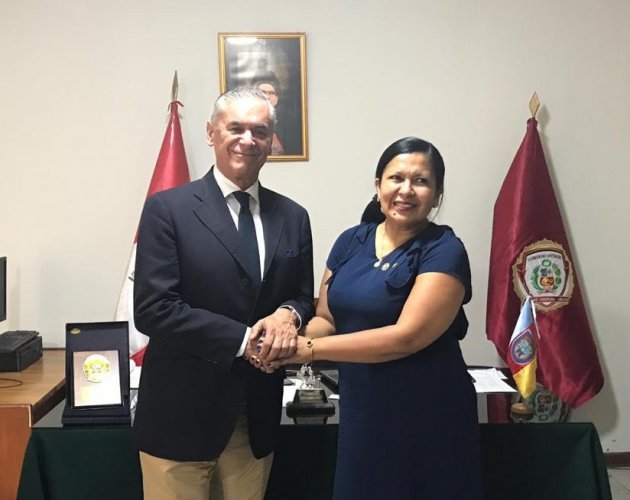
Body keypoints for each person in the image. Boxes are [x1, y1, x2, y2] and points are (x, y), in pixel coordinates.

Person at [264, 137, 482, 499]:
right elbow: (326, 319)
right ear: (378, 185)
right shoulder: (350, 241)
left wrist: (308, 350)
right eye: (396, 178)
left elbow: (406, 338)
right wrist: (284, 336)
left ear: (437, 194)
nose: (406, 190)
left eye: (421, 181)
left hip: (428, 412)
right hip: (363, 409)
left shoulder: (444, 250)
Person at [133, 87, 314, 500]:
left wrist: (288, 313)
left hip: (255, 417)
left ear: (270, 142)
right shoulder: (168, 210)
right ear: (211, 133)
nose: (247, 140)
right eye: (236, 128)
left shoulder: (293, 216)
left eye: (259, 131)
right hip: (180, 417)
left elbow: (303, 296)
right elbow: (154, 308)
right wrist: (246, 340)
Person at [254, 80, 285, 155]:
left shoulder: (287, 127)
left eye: (271, 93)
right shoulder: (247, 124)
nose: (267, 97)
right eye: (263, 93)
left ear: (276, 99)